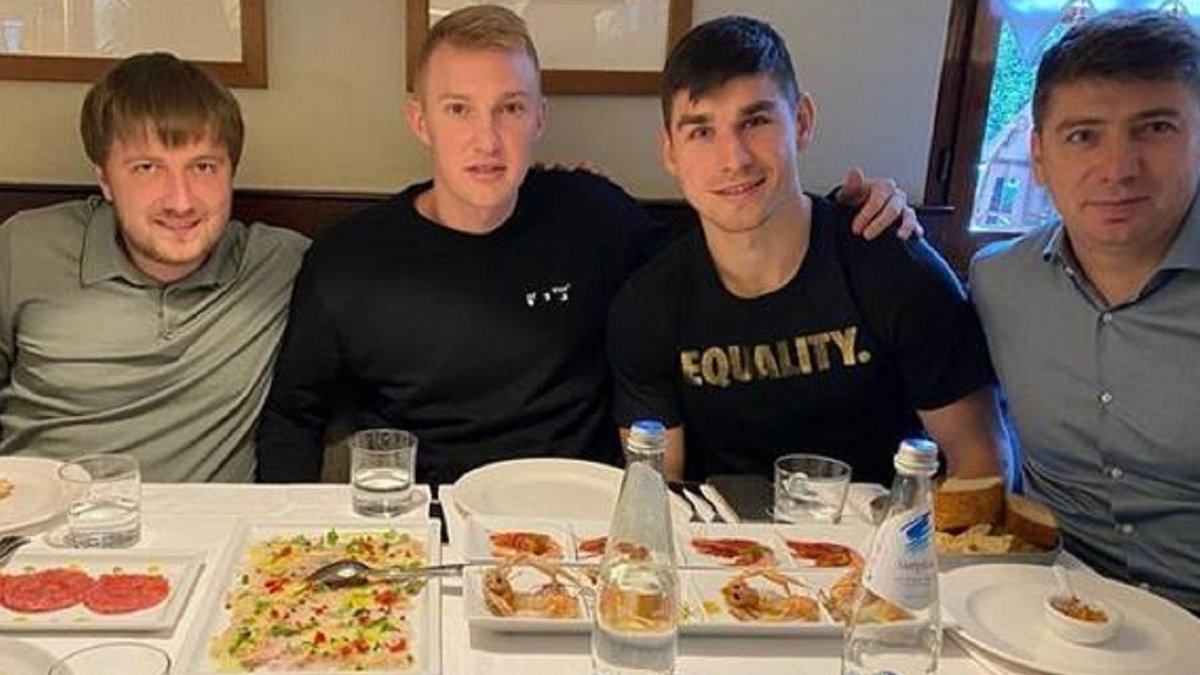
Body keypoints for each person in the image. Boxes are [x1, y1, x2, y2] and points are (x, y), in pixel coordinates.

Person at [255, 5, 916, 486]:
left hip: (583, 524)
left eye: (511, 108)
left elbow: (728, 243)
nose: (487, 140)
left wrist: (846, 212)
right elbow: (292, 418)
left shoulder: (595, 217)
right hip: (428, 526)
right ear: (419, 121)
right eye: (458, 109)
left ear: (540, 117)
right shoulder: (349, 260)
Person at [608, 16, 1007, 485]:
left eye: (755, 121)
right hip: (715, 529)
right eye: (701, 131)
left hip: (887, 525)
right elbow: (654, 493)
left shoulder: (897, 268)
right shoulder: (648, 305)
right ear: (670, 152)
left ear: (801, 122)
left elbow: (982, 466)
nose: (734, 159)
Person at [970, 10, 1200, 613]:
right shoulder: (999, 281)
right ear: (1039, 156)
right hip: (1048, 608)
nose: (1118, 169)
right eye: (1083, 136)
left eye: (1155, 128)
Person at [0, 53, 309, 482]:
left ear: (231, 173)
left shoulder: (281, 264)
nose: (180, 202)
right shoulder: (25, 247)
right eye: (147, 168)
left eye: (203, 167)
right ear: (105, 179)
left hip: (208, 525)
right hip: (37, 517)